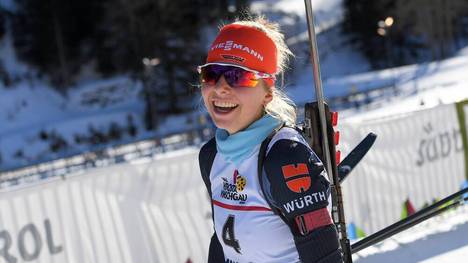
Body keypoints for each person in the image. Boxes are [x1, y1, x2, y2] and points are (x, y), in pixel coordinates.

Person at [198, 16, 343, 263]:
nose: (221, 88)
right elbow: (223, 244)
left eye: (237, 77)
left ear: (268, 92)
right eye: (211, 74)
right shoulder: (211, 155)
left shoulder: (284, 157)